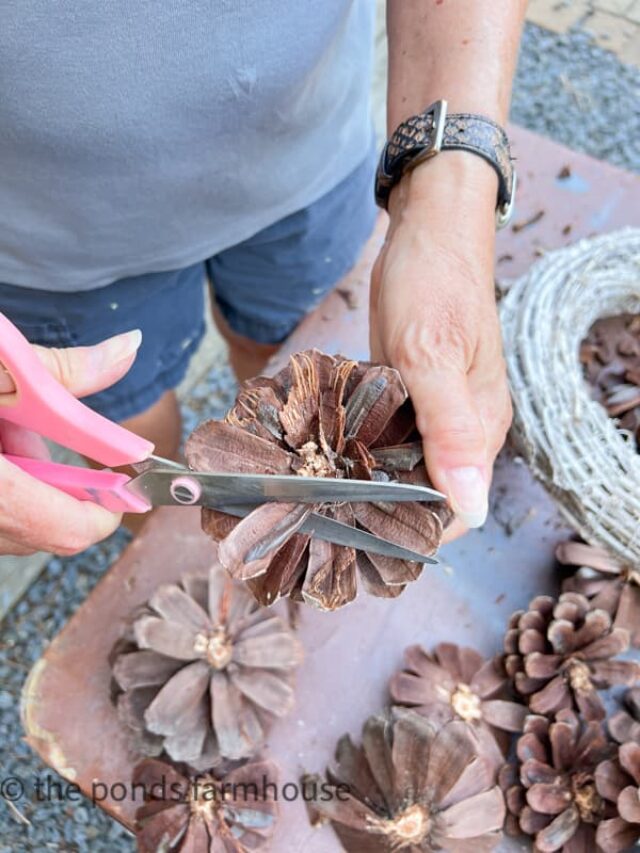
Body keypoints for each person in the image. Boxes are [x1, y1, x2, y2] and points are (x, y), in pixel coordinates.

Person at [0, 1, 526, 557]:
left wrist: (446, 204)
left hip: (306, 156)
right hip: (45, 240)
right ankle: (162, 545)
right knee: (128, 411)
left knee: (285, 357)